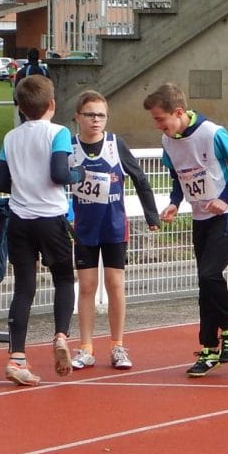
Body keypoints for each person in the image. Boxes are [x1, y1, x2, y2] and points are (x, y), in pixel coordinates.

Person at [144, 82, 228, 378]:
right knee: (205, 283)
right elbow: (179, 175)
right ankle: (208, 348)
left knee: (209, 274)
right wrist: (175, 203)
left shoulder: (211, 133)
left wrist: (225, 197)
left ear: (178, 112)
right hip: (200, 216)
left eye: (160, 119)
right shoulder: (169, 141)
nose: (158, 126)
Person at [0, 74, 80, 386]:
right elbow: (59, 173)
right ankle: (60, 336)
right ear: (52, 104)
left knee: (24, 288)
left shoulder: (10, 137)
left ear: (19, 107)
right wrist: (77, 173)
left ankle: (17, 356)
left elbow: (0, 183)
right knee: (64, 278)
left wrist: (23, 178)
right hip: (51, 217)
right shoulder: (59, 133)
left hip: (20, 219)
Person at [68, 90, 161, 370]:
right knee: (86, 287)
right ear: (77, 117)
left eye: (101, 115)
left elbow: (140, 178)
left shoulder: (115, 145)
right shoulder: (70, 148)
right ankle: (85, 347)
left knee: (115, 285)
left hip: (113, 226)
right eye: (90, 115)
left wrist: (151, 215)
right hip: (84, 228)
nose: (96, 121)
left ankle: (117, 346)